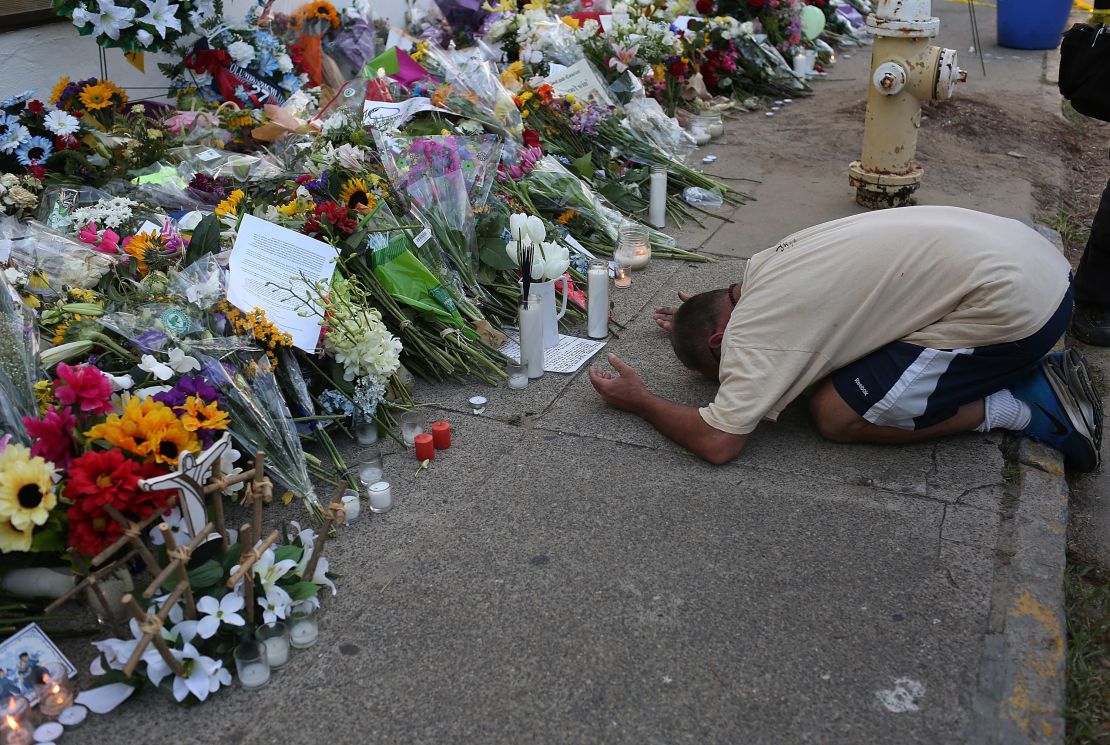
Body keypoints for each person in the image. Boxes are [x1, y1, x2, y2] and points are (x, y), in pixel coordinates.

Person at [589, 206, 1103, 470]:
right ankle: (994, 371)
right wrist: (690, 324)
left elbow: (718, 443)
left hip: (1020, 315)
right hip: (1037, 263)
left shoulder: (749, 335)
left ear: (723, 340)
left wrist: (642, 402)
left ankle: (1022, 407)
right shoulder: (763, 266)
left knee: (836, 414)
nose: (732, 378)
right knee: (835, 372)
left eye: (718, 373)